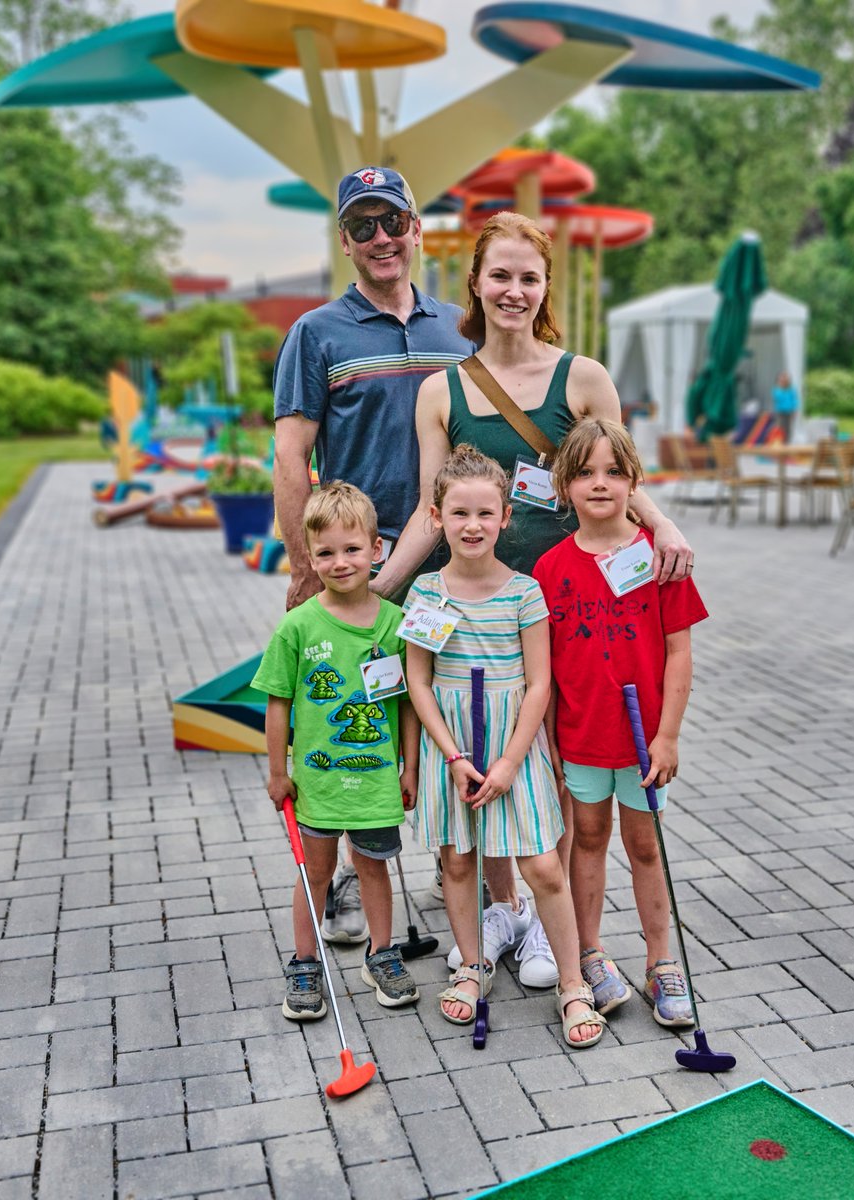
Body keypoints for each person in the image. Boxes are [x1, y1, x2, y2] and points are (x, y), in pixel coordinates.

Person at [374, 211, 694, 986]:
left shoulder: (582, 377)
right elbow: (428, 508)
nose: (513, 291)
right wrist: (372, 595)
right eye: (500, 276)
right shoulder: (441, 391)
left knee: (560, 770)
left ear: (544, 287)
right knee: (487, 752)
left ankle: (559, 929)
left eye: (528, 277)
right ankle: (506, 907)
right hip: (477, 609)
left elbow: (620, 474)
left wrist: (666, 526)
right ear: (476, 285)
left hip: (569, 606)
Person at [272, 165, 472, 938]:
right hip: (359, 571)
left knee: (448, 722)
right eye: (363, 227)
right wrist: (303, 567)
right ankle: (352, 887)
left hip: (452, 568)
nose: (381, 238)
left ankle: (462, 884)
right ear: (346, 242)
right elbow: (292, 459)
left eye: (393, 221)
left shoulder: (461, 328)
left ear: (417, 228)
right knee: (353, 728)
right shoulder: (317, 333)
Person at [404, 445, 606, 1049]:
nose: (472, 526)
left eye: (485, 514)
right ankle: (472, 964)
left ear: (505, 518)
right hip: (454, 750)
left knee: (543, 864)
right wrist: (454, 757)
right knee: (459, 861)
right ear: (437, 518)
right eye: (459, 513)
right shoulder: (425, 593)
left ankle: (572, 982)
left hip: (514, 747)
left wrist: (512, 759)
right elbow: (417, 679)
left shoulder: (524, 592)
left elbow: (541, 682)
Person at [532, 418, 708, 1026]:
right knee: (587, 839)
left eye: (613, 471)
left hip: (644, 742)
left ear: (635, 481)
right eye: (583, 473)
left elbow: (680, 651)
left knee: (644, 846)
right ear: (563, 487)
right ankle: (589, 953)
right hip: (582, 736)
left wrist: (669, 735)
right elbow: (545, 668)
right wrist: (551, 737)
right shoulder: (549, 569)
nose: (599, 484)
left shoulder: (657, 558)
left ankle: (662, 963)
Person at [254, 483, 421, 1020]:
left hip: (376, 778)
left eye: (352, 549)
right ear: (308, 556)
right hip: (317, 783)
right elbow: (279, 702)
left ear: (377, 550)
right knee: (315, 874)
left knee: (374, 868)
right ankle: (305, 963)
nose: (340, 562)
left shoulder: (396, 625)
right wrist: (277, 771)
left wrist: (410, 766)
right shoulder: (298, 626)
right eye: (325, 552)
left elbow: (411, 703)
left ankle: (382, 954)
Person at [772, 371, 800, 443]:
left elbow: (795, 400)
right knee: (780, 427)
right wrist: (781, 387)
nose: (783, 380)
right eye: (781, 379)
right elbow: (777, 398)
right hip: (780, 411)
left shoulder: (792, 389)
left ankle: (787, 442)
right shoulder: (776, 390)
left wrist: (795, 410)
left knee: (788, 428)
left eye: (785, 379)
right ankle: (780, 441)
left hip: (790, 411)